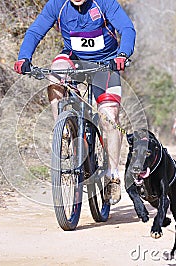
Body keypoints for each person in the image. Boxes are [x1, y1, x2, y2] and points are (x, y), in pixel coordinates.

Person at [14, 0, 136, 205]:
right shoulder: (57, 5)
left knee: (109, 118)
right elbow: (36, 31)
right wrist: (23, 57)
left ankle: (112, 175)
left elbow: (126, 27)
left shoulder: (104, 3)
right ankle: (62, 128)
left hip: (106, 63)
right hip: (74, 58)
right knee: (55, 73)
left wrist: (123, 54)